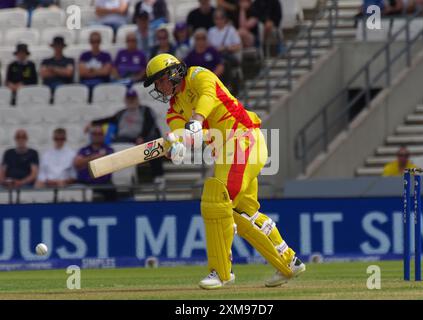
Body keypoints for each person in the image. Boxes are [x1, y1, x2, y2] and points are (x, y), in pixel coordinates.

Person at [143, 53, 305, 289]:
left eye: (159, 80)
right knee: (242, 211)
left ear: (172, 73)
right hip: (227, 153)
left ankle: (221, 272)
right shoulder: (174, 107)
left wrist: (196, 120)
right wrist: (176, 145)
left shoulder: (199, 75)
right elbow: (179, 131)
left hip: (243, 140)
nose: (158, 87)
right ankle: (288, 261)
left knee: (216, 199)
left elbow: (208, 96)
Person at [86, 88, 164, 181]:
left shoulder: (145, 110)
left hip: (140, 139)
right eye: (129, 98)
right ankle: (106, 177)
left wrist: (142, 137)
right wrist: (93, 123)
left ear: (137, 99)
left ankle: (158, 176)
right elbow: (109, 119)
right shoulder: (121, 113)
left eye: (133, 98)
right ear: (125, 100)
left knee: (153, 144)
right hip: (122, 139)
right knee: (107, 146)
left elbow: (150, 124)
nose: (131, 100)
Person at [73, 125, 117, 201]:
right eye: (95, 134)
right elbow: (77, 163)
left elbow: (107, 163)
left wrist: (85, 161)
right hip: (85, 182)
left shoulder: (109, 149)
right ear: (91, 136)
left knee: (112, 190)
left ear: (103, 136)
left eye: (99, 134)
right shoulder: (84, 149)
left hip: (103, 183)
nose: (97, 136)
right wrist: (96, 157)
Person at [79, 32, 113, 101]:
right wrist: (99, 71)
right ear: (90, 42)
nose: (95, 44)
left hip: (102, 82)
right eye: (93, 41)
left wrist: (90, 70)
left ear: (100, 42)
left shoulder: (106, 55)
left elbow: (106, 72)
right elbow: (82, 72)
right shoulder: (84, 55)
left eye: (97, 41)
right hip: (86, 82)